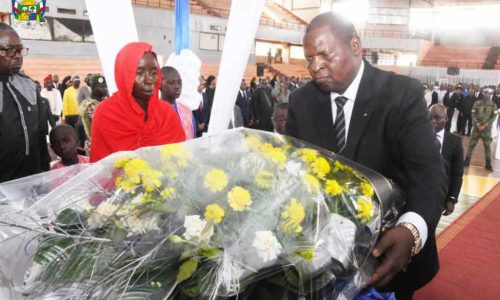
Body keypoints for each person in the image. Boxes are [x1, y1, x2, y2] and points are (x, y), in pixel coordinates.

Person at [285, 13, 447, 299]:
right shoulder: (301, 102)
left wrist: (411, 229)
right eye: (309, 58)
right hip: (325, 260)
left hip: (389, 259)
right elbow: (296, 172)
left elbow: (428, 172)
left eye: (325, 54)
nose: (315, 66)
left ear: (356, 46)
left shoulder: (401, 93)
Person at [90, 42, 185, 162]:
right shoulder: (106, 113)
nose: (149, 80)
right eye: (139, 73)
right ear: (124, 74)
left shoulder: (167, 114)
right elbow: (99, 171)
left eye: (154, 73)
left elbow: (182, 161)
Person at [0, 23, 50, 183]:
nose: (17, 56)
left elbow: (41, 134)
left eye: (20, 50)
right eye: (10, 51)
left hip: (34, 182)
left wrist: (45, 173)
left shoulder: (29, 86)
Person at [430, 104, 464, 216]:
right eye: (430, 117)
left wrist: (452, 198)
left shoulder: (455, 142)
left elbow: (457, 173)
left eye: (437, 117)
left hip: (441, 195)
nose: (433, 121)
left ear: (446, 119)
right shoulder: (417, 138)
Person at [463, 88, 497, 171]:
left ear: (490, 95)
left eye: (489, 94)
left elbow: (494, 116)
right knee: (471, 145)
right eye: (485, 93)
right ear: (483, 94)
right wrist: (477, 123)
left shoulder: (493, 105)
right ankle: (467, 161)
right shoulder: (477, 103)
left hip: (486, 130)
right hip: (476, 129)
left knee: (487, 147)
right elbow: (473, 113)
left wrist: (486, 125)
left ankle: (488, 164)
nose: (487, 95)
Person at [160, 66, 196, 140]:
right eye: (171, 83)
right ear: (159, 85)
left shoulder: (187, 112)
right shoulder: (152, 111)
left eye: (179, 82)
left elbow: (193, 139)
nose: (177, 86)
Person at [79, 74, 108, 154]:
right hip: (96, 145)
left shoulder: (102, 102)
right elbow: (105, 124)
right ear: (93, 88)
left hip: (103, 143)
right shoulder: (90, 105)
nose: (104, 89)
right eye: (101, 87)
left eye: (105, 86)